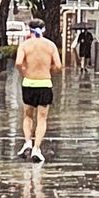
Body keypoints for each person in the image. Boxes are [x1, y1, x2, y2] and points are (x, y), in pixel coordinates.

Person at [15, 18, 62, 164]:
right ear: (44, 29)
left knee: (27, 116)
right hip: (44, 83)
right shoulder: (50, 45)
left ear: (29, 30)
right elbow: (59, 66)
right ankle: (36, 148)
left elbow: (18, 63)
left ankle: (28, 141)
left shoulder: (25, 45)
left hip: (29, 83)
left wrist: (24, 72)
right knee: (42, 118)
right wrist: (49, 71)